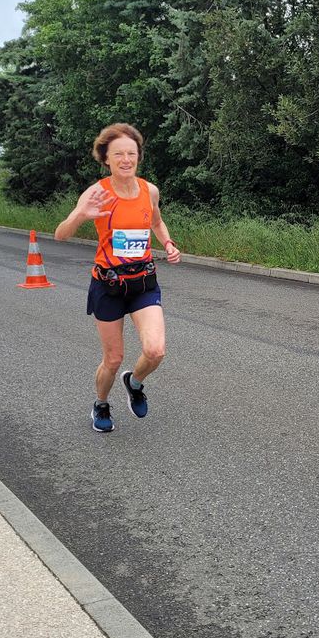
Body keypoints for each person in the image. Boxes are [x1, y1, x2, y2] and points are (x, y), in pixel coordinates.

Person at [54, 123, 181, 432]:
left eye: (132, 153)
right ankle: (101, 403)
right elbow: (61, 235)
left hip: (142, 282)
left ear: (138, 156)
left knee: (155, 350)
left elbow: (157, 223)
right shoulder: (97, 192)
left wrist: (167, 242)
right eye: (118, 154)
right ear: (106, 159)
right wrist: (81, 215)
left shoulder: (149, 190)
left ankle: (134, 383)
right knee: (113, 358)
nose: (126, 159)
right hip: (108, 285)